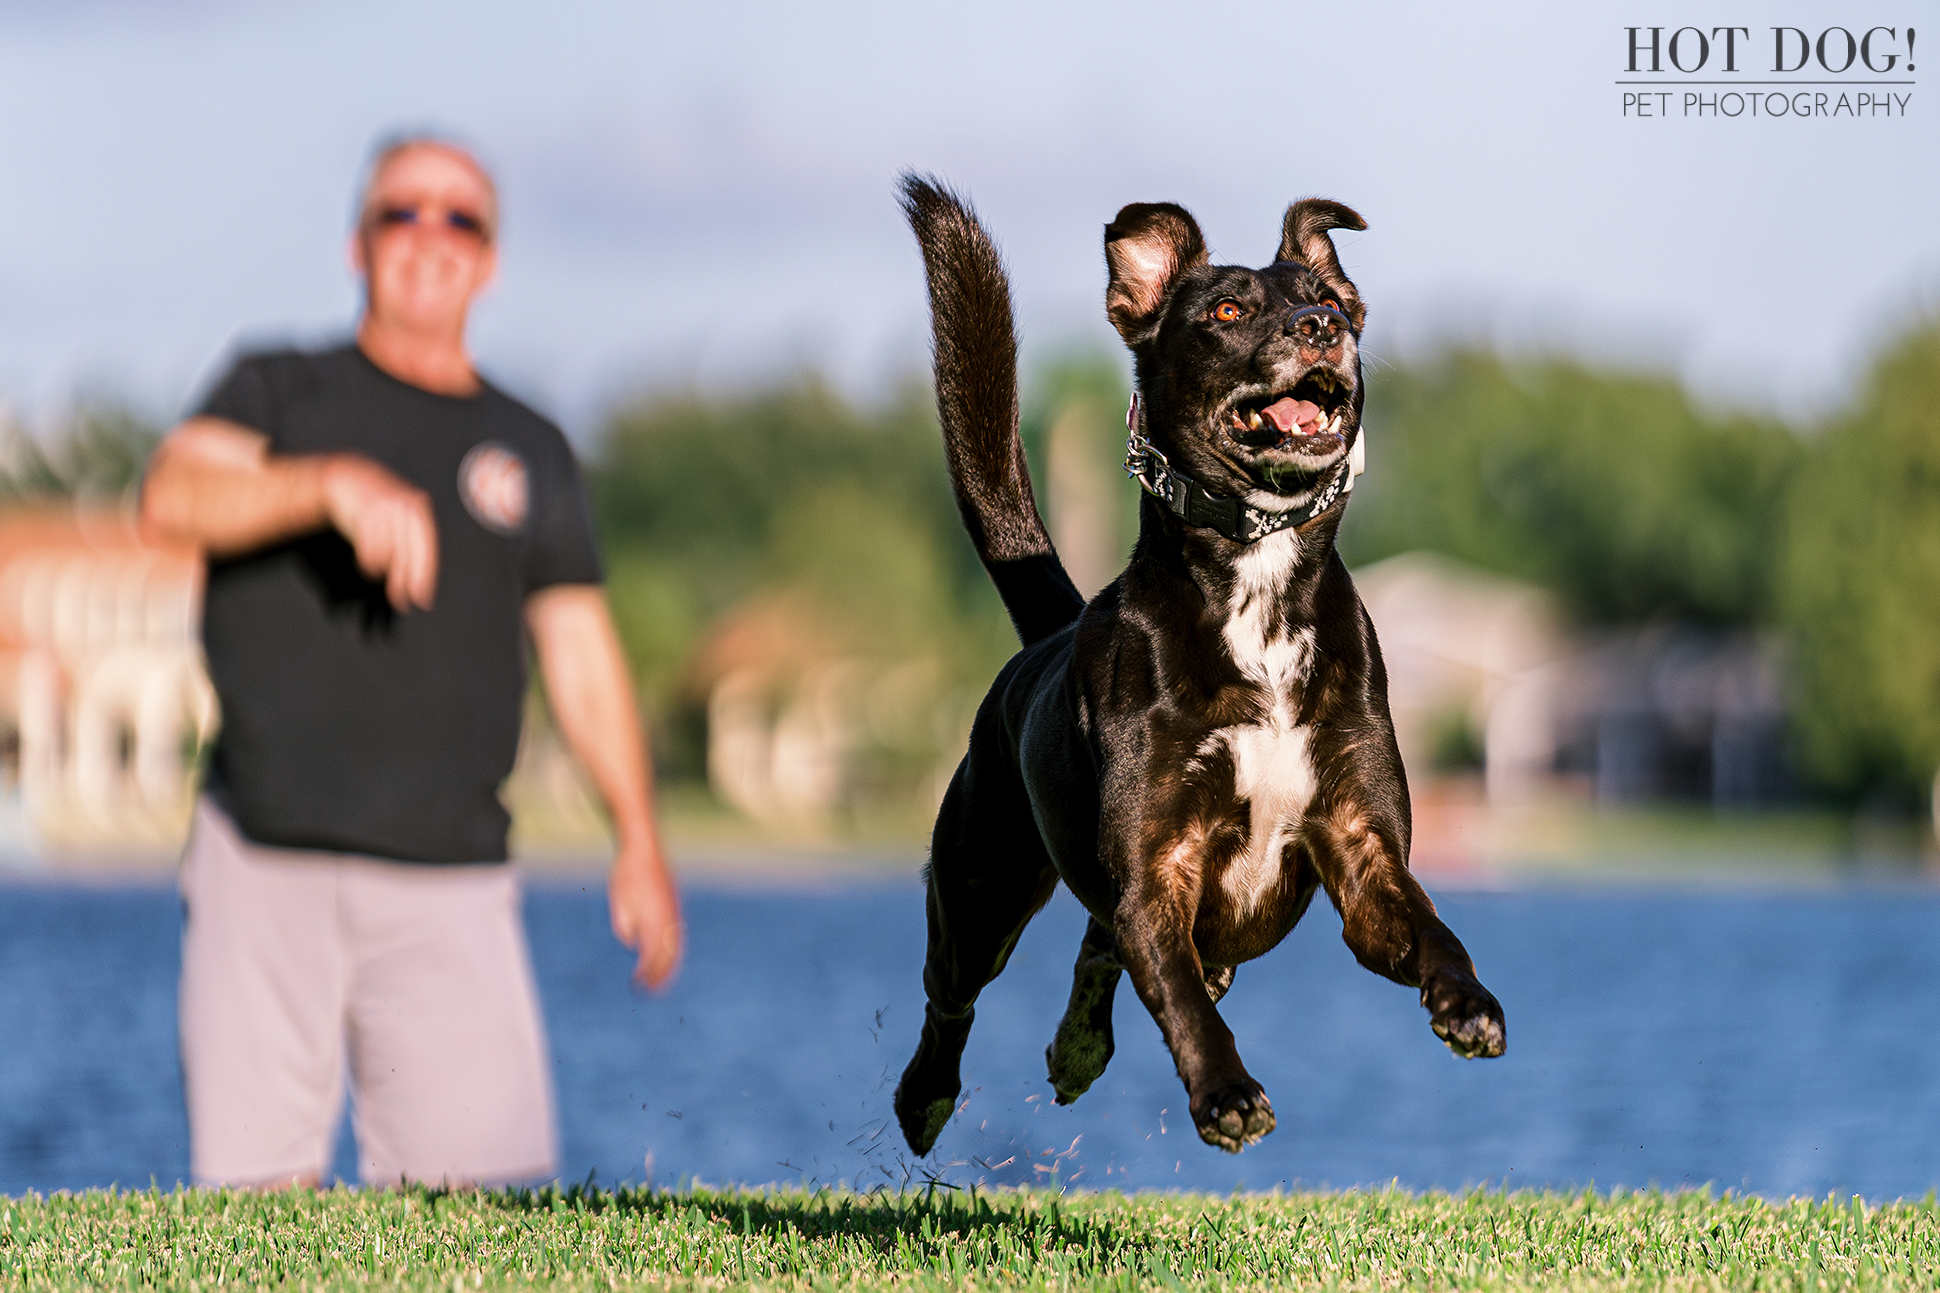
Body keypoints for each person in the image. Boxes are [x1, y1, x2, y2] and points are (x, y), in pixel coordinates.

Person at [139, 137, 682, 1189]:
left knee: (487, 1219)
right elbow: (170, 495)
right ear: (359, 243)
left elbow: (577, 647)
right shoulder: (276, 389)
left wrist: (640, 839)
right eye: (403, 213)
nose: (430, 236)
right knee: (252, 1221)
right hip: (263, 862)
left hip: (453, 884)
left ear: (489, 260)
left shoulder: (530, 444)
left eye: (459, 219)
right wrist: (328, 485)